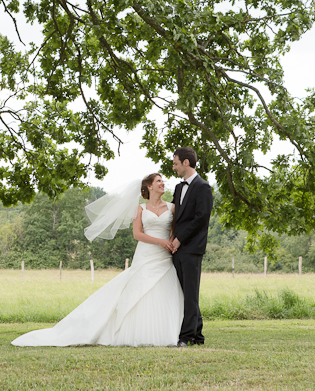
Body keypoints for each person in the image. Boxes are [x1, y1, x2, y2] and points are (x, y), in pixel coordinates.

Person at [11, 173, 183, 347]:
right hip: (146, 253)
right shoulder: (140, 209)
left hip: (164, 256)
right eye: (159, 181)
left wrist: (171, 242)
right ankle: (133, 332)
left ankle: (165, 332)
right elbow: (137, 234)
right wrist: (160, 241)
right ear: (149, 187)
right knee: (138, 289)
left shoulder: (172, 207)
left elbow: (175, 230)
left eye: (163, 181)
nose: (163, 183)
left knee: (163, 288)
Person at [171, 146, 213, 346]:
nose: (174, 168)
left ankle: (186, 337)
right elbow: (175, 218)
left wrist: (180, 239)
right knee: (183, 292)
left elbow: (201, 219)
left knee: (190, 293)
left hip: (192, 248)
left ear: (186, 162)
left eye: (175, 163)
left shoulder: (203, 187)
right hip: (176, 249)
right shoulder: (178, 188)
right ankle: (197, 335)